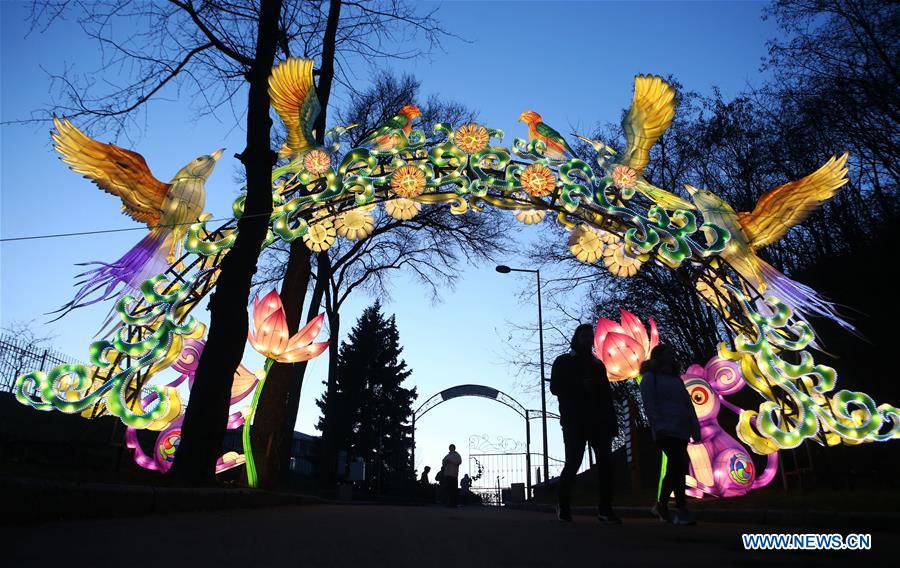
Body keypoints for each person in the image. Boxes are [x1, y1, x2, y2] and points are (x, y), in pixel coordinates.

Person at [550, 323, 620, 524]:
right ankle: (563, 504)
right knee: (573, 462)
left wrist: (611, 422)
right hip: (575, 421)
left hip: (599, 421)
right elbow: (555, 387)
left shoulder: (598, 365)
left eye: (591, 336)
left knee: (606, 464)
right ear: (576, 338)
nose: (588, 340)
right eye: (584, 336)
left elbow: (607, 396)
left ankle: (605, 508)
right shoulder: (563, 362)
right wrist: (580, 386)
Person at [639, 344, 701, 525]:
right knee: (678, 464)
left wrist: (694, 427)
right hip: (665, 430)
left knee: (677, 467)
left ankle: (662, 505)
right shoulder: (651, 378)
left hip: (681, 429)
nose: (672, 355)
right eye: (668, 353)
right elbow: (650, 404)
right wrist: (658, 426)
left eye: (672, 352)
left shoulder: (676, 379)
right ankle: (681, 509)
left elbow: (687, 405)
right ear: (658, 356)